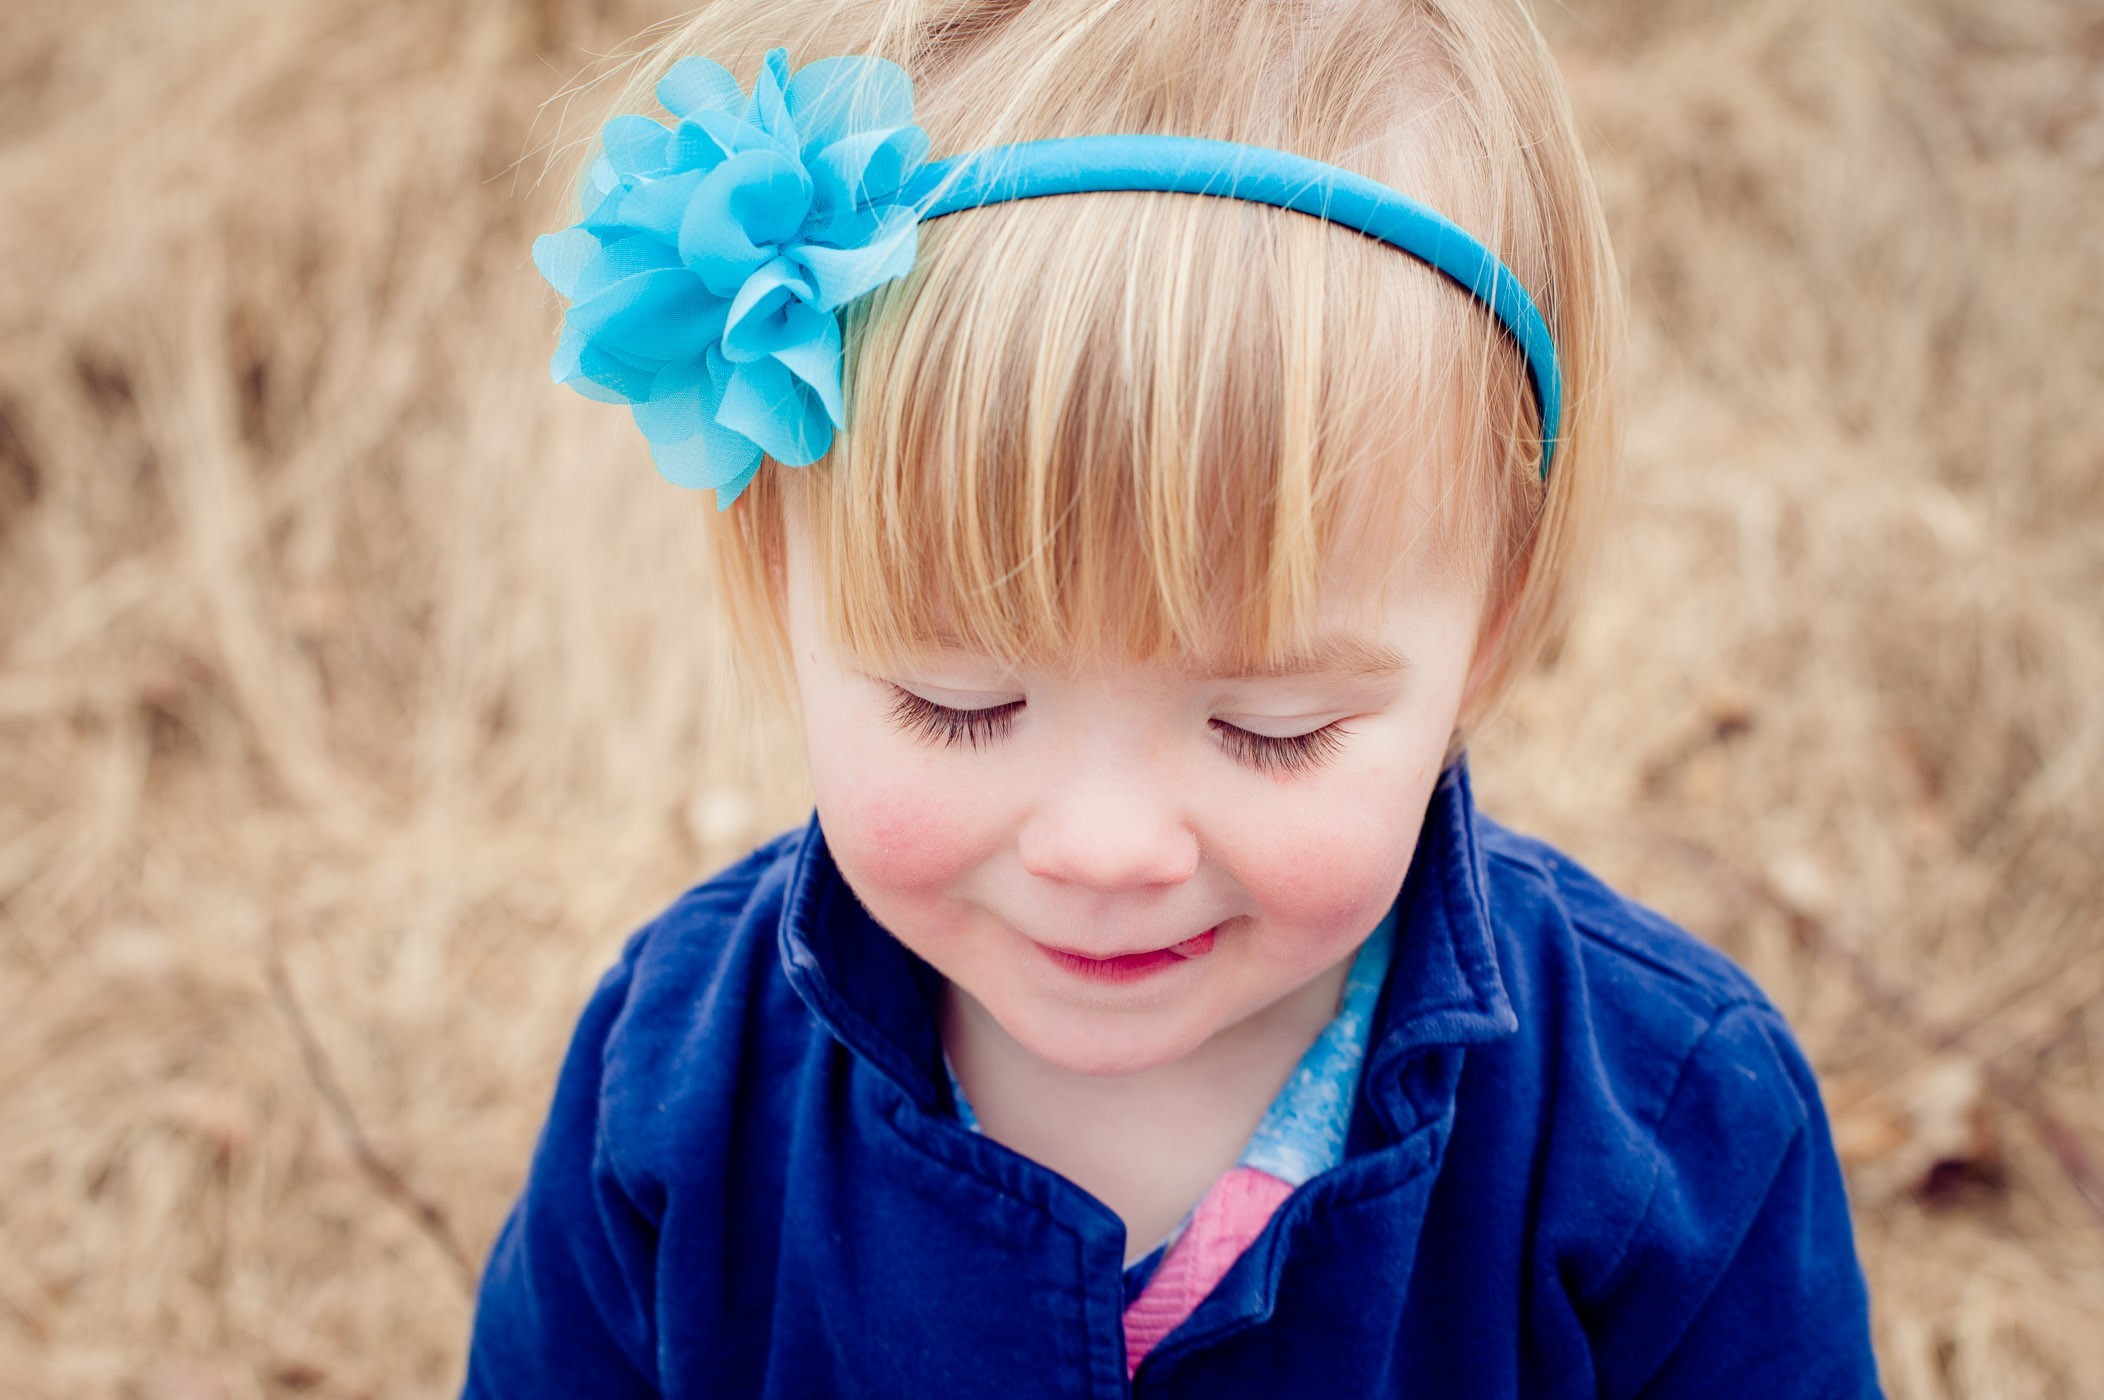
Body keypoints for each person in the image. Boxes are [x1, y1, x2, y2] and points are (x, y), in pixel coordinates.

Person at [465, 1, 1881, 1394]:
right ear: (786, 594)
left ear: (1490, 631)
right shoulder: (673, 1091)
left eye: (1274, 729)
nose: (1105, 849)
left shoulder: (1672, 1133)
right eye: (959, 704)